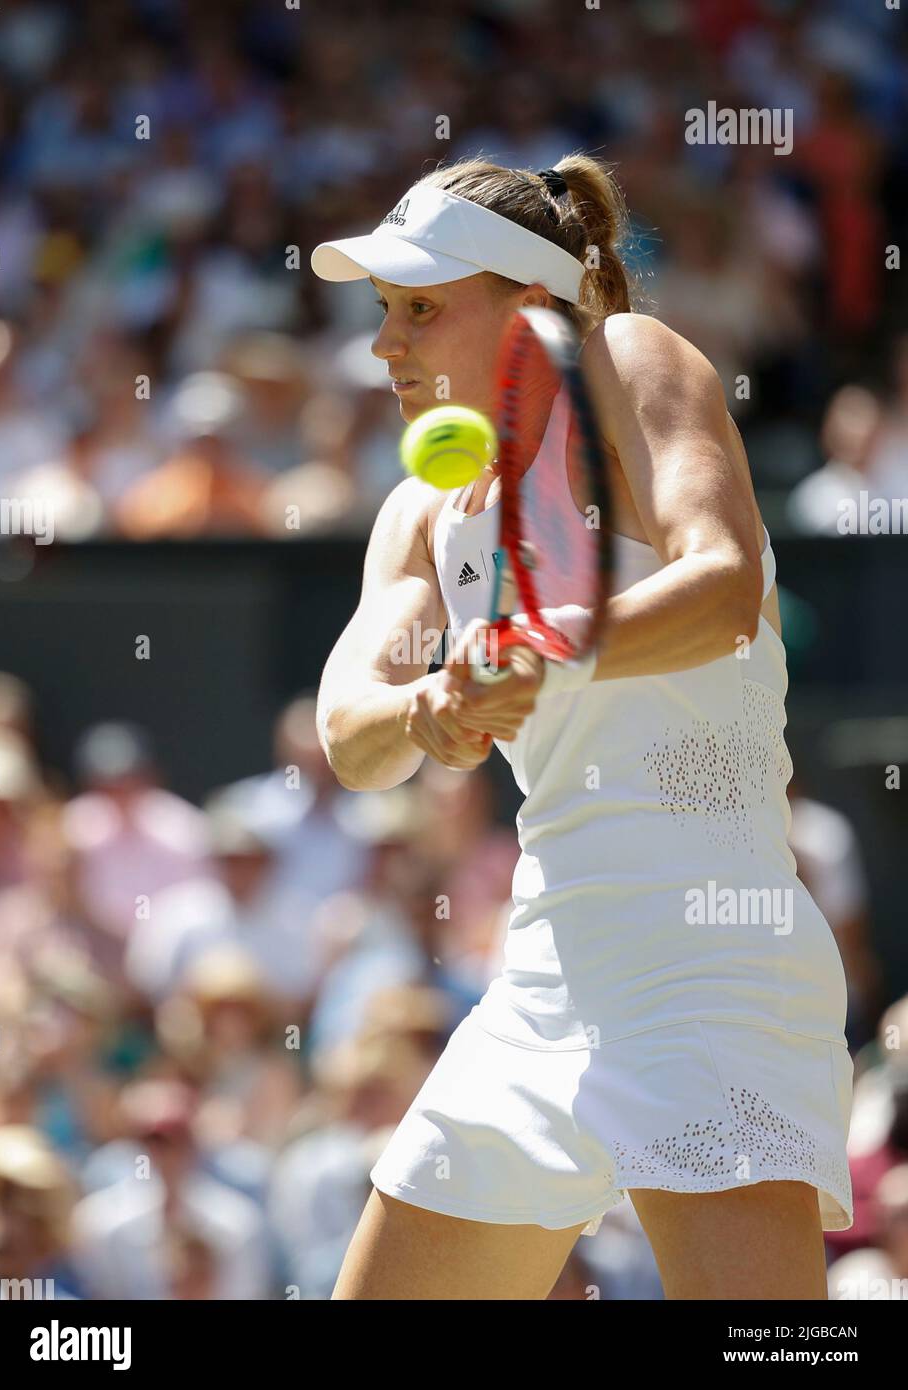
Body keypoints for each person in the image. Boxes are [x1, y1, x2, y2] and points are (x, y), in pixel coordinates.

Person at [311, 155, 854, 1300]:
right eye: (382, 313)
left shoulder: (630, 361)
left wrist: (534, 646)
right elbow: (351, 732)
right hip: (544, 980)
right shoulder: (419, 511)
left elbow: (719, 584)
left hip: (718, 964)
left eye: (420, 309)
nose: (385, 344)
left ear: (526, 312)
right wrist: (428, 705)